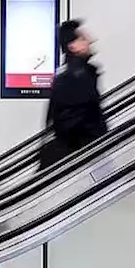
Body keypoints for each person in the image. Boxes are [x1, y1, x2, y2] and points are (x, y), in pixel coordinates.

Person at [40, 20, 107, 170]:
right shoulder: (75, 78)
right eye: (82, 39)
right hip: (84, 155)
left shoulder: (77, 74)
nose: (90, 40)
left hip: (86, 153)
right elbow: (76, 121)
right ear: (72, 47)